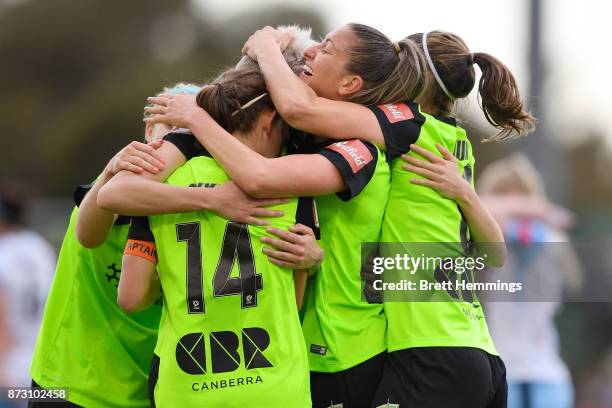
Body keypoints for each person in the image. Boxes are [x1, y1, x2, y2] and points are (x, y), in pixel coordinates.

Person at [144, 23, 511, 407]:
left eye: (327, 49)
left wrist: (264, 50)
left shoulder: (389, 133)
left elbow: (282, 132)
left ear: (353, 84)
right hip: (459, 344)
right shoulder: (444, 139)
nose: (310, 53)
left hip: (379, 351)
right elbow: (246, 106)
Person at [28, 83, 286, 408]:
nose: (179, 145)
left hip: (151, 388)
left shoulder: (211, 190)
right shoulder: (127, 178)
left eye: (192, 133)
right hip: (70, 385)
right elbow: (89, 233)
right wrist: (111, 172)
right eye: (173, 131)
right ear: (150, 129)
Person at [107, 66, 324, 408]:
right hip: (274, 384)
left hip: (186, 383)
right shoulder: (292, 183)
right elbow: (294, 302)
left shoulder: (163, 183)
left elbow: (132, 297)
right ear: (269, 119)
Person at [478, 154, 580, 408]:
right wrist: (535, 208)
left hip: (546, 374)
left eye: (520, 199)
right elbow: (478, 207)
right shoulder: (482, 242)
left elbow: (564, 220)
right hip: (498, 372)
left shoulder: (551, 240)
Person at [0, 187, 55, 394]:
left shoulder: (3, 252)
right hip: (43, 362)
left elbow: (2, 313)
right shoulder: (39, 246)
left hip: (11, 365)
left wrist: (2, 369)